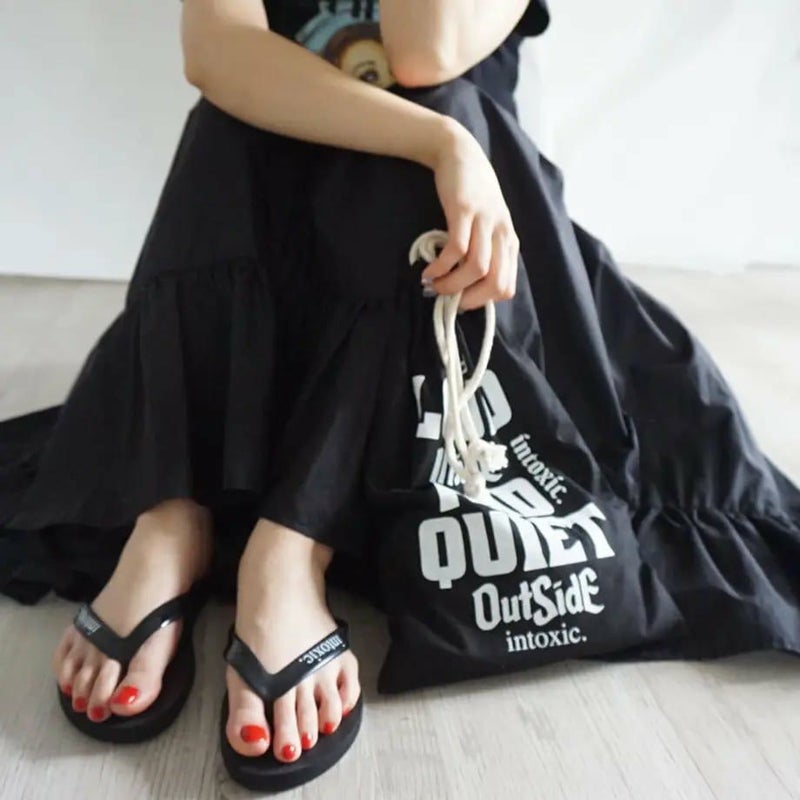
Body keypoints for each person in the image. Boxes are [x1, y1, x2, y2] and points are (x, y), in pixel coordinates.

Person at [1, 0, 798, 793]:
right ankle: (172, 513)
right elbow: (215, 50)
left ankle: (293, 543)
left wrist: (448, 141)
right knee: (229, 115)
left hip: (449, 250)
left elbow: (425, 50)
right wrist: (438, 142)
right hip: (283, 249)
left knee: (437, 101)